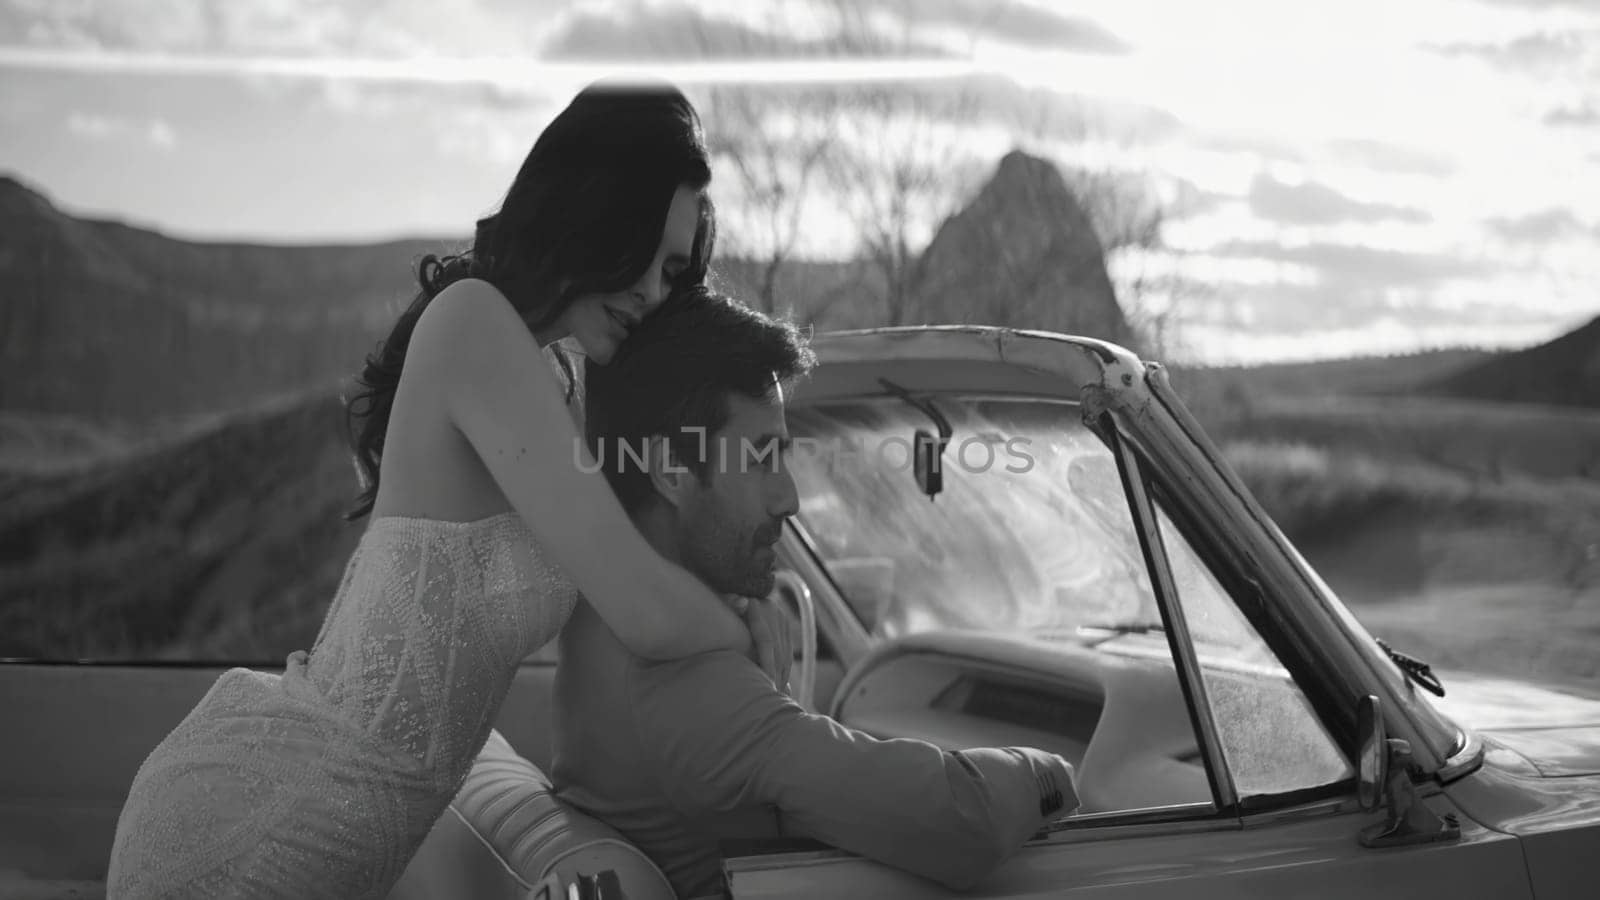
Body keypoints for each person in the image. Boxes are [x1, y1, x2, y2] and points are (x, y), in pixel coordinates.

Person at [105, 81, 785, 899]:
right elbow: (640, 604)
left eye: (674, 269)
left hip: (341, 847)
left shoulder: (557, 379)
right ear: (588, 213)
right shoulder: (474, 323)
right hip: (259, 823)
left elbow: (659, 536)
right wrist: (758, 633)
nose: (652, 289)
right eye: (642, 250)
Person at [552, 285, 1078, 900]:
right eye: (762, 457)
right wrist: (1059, 773)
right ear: (672, 471)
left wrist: (738, 607)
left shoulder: (594, 617)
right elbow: (967, 817)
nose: (790, 497)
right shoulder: (688, 681)